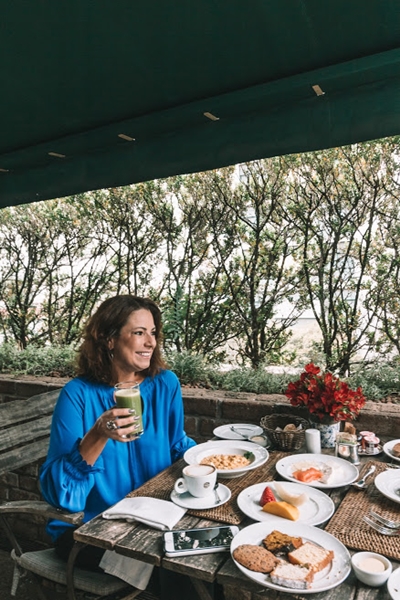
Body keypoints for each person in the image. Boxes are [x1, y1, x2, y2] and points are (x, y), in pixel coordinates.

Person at [39, 295, 196, 568]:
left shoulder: (165, 384)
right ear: (109, 340)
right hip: (89, 528)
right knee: (177, 569)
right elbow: (63, 496)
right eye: (138, 333)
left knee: (199, 551)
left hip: (151, 517)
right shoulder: (78, 394)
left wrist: (211, 461)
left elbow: (177, 445)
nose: (150, 342)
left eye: (153, 333)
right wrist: (98, 434)